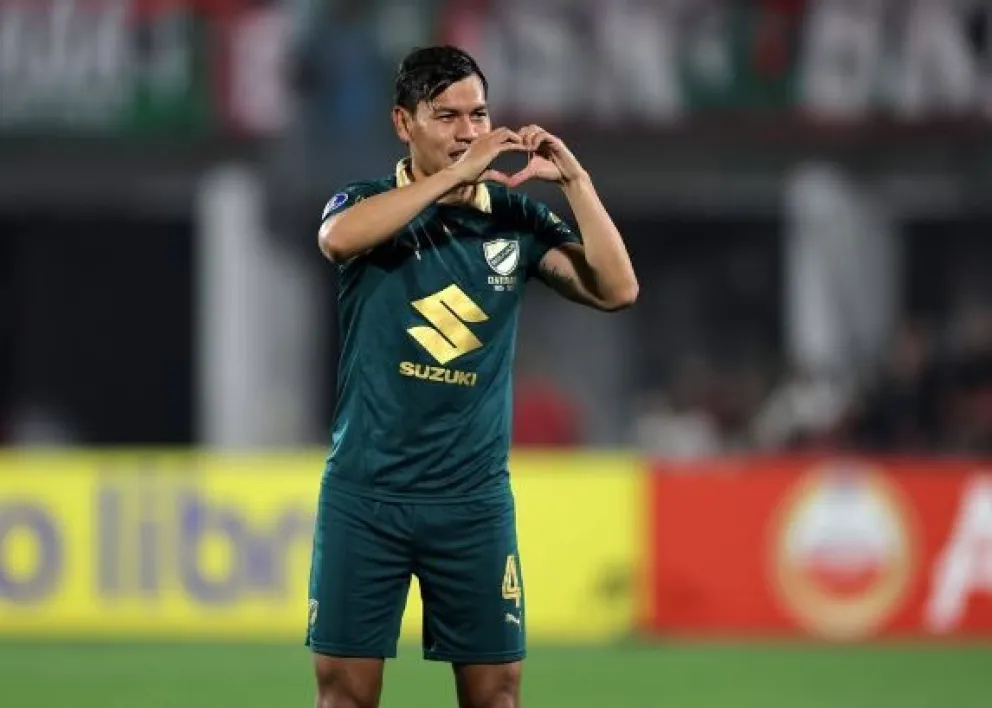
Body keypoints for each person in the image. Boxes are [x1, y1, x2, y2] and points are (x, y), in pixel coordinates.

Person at [308, 45, 638, 708]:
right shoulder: (367, 203)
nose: (468, 131)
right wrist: (450, 182)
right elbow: (338, 240)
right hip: (366, 494)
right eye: (447, 115)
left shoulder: (513, 220)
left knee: (497, 696)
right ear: (404, 122)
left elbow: (617, 289)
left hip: (472, 503)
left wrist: (574, 181)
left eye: (479, 114)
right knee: (345, 695)